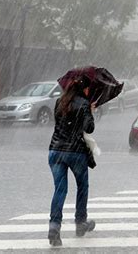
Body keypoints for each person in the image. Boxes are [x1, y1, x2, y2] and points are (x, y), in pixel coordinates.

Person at [47, 75, 96, 246]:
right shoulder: (84, 104)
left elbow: (60, 124)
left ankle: (54, 227)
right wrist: (90, 111)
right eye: (88, 89)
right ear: (84, 89)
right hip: (75, 152)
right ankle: (80, 222)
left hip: (55, 151)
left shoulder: (59, 102)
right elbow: (89, 128)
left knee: (60, 190)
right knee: (82, 186)